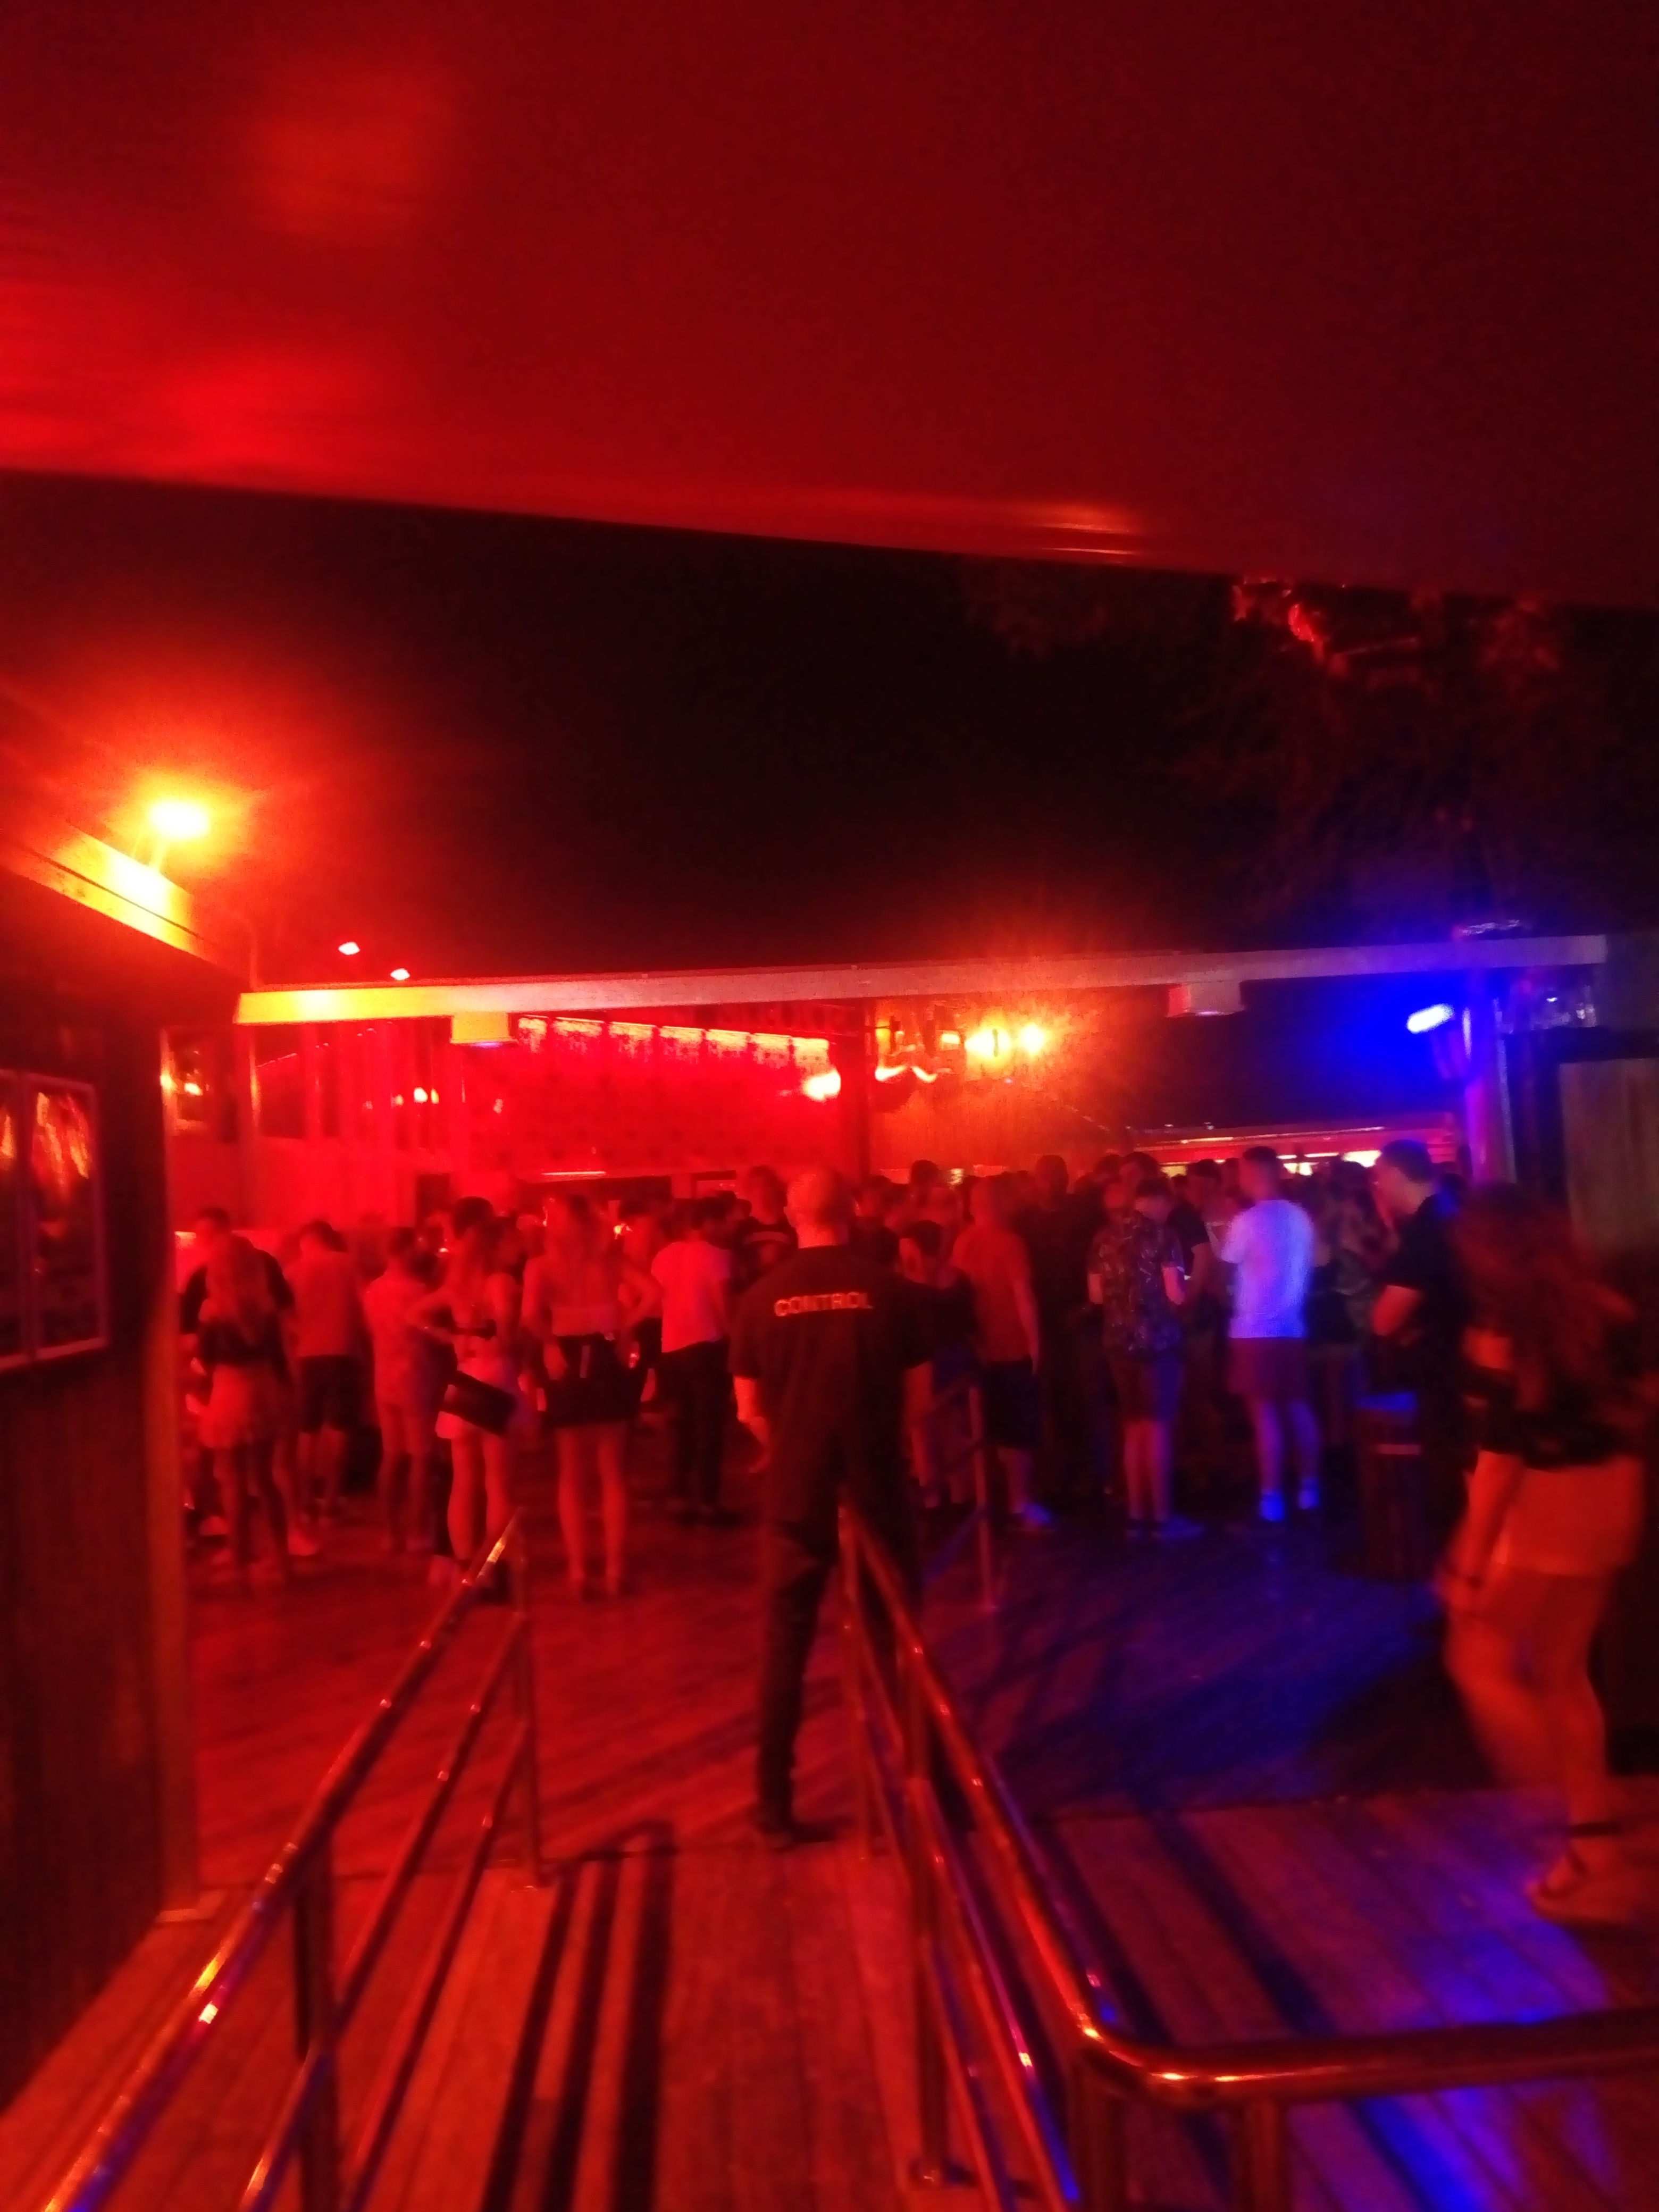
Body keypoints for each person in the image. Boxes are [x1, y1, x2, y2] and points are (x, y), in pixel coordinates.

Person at [1442, 1186, 1647, 1926]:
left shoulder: (1503, 1332)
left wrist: (1468, 1561)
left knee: (1478, 1659)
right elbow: (1642, 1404)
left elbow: (1500, 1461)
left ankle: (1550, 1802)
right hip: (1611, 1506)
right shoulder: (1608, 1311)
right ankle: (1594, 1841)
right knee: (1563, 1675)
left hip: (1545, 1518)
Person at [731, 1165, 932, 1847]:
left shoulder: (760, 1299)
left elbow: (748, 1407)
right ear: (851, 1211)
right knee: (897, 1637)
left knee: (785, 1645)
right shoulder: (892, 1292)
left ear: (792, 1216)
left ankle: (773, 1803)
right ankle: (927, 1788)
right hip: (875, 1484)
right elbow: (918, 1399)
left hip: (796, 1491)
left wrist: (789, 1441)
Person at [527, 1190, 634, 1596]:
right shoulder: (609, 1261)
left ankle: (578, 1571)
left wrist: (550, 1344)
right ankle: (615, 1570)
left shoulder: (541, 1266)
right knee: (613, 1473)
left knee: (571, 1474)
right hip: (604, 1353)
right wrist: (624, 1329)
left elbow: (529, 1316)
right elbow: (653, 1292)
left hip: (566, 1356)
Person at [413, 1197, 523, 1571]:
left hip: (463, 1379)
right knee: (498, 1484)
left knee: (463, 1481)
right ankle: (495, 1564)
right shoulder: (499, 1282)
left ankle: (464, 1562)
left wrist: (452, 1336)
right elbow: (505, 1334)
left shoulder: (456, 1284)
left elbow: (414, 1314)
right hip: (494, 1377)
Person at [1092, 1175, 1199, 1538]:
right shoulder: (1164, 1237)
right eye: (1169, 1204)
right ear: (1158, 1201)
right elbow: (1176, 1294)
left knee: (1133, 1427)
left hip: (1117, 1343)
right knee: (1158, 1427)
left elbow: (1095, 1296)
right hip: (1158, 1343)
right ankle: (1164, 1517)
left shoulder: (1103, 1238)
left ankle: (1137, 1515)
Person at [1372, 1138, 1468, 1539]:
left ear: (1395, 1175)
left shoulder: (1426, 1232)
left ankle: (1457, 1563)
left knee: (1448, 1480)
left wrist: (1409, 1328)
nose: (1378, 1189)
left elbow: (1384, 1320)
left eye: (1379, 1180)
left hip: (1445, 1373)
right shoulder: (1452, 1211)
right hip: (1465, 1364)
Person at [1216, 1147, 1319, 1521]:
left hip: (1254, 1329)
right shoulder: (1301, 1218)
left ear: (1254, 1174)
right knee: (1298, 1406)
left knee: (1264, 1415)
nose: (1238, 1180)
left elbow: (1225, 1272)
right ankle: (1310, 1488)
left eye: (1242, 1173)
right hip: (1293, 1326)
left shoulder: (1247, 1221)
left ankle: (1271, 1497)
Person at [196, 1235, 292, 1591]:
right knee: (265, 1479)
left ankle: (240, 1560)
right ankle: (281, 1558)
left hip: (230, 1389)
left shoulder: (212, 1310)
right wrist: (287, 1391)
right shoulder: (265, 1306)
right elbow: (278, 1356)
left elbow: (206, 1357)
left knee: (232, 1481)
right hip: (263, 1387)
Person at [953, 1174, 1050, 1528]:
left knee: (988, 1427)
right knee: (1017, 1431)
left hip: (980, 1349)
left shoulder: (963, 1243)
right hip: (1011, 1348)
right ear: (1001, 1204)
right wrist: (1035, 1344)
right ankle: (1019, 1502)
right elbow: (1024, 1297)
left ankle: (988, 1500)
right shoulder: (1010, 1243)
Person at [1017, 1154, 1103, 1505]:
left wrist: (1088, 1308)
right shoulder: (1024, 1222)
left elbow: (1101, 1264)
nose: (1051, 1184)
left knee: (1088, 1398)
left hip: (1081, 1317)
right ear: (1036, 1182)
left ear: (1066, 1179)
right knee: (1051, 1401)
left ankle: (1091, 1476)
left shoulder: (1086, 1215)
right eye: (1045, 1178)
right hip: (1045, 1321)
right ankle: (1059, 1476)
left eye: (1056, 1177)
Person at [651, 1200, 735, 1521]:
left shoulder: (664, 1256)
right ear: (708, 1222)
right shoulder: (718, 1256)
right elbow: (722, 1306)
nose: (727, 1228)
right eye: (723, 1221)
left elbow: (657, 1302)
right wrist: (737, 1342)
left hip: (672, 1348)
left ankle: (678, 1494)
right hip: (707, 1347)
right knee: (709, 1427)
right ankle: (707, 1500)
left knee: (681, 1426)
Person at [362, 1229, 442, 1552]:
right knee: (421, 1457)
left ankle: (389, 1531)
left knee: (392, 1455)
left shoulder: (372, 1291)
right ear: (406, 1251)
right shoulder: (419, 1292)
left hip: (384, 1376)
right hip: (416, 1375)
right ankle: (418, 1532)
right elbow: (433, 1338)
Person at [898, 1217, 978, 1510]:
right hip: (944, 1364)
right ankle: (950, 1498)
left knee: (938, 1436)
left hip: (936, 1367)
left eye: (909, 1250)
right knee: (936, 1436)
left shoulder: (915, 1289)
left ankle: (946, 1500)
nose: (905, 1258)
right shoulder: (954, 1283)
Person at [289, 1220, 364, 1524]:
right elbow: (364, 1305)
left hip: (307, 1355)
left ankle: (306, 1502)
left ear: (307, 1240)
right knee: (338, 1428)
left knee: (307, 1430)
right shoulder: (348, 1264)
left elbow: (286, 1317)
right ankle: (332, 1501)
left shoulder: (293, 1271)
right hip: (343, 1350)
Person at [732, 1166, 799, 1293]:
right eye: (756, 1186)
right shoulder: (742, 1230)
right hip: (752, 1294)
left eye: (766, 1185)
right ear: (749, 1191)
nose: (761, 1191)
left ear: (775, 1189)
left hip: (783, 1293)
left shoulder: (791, 1227)